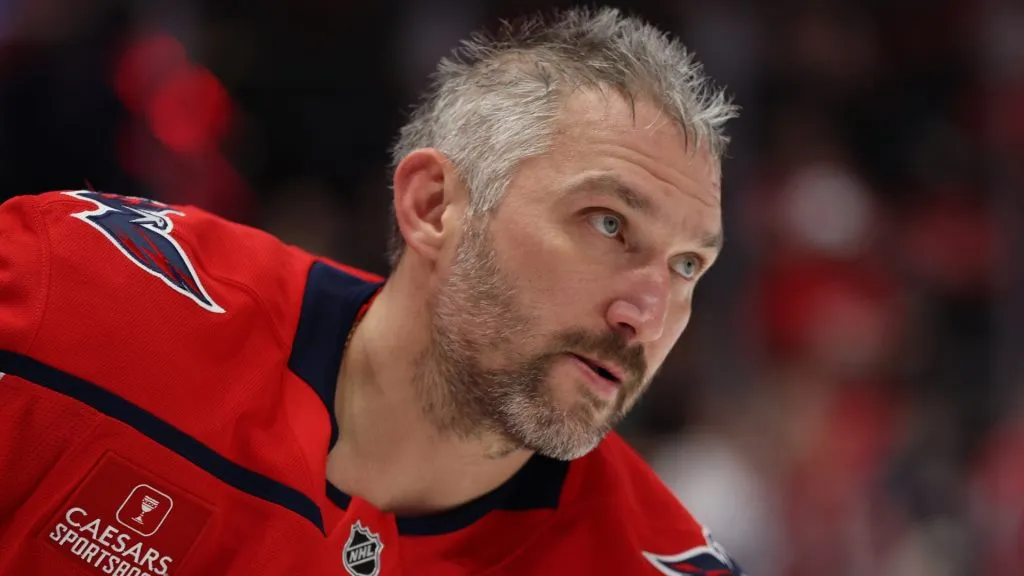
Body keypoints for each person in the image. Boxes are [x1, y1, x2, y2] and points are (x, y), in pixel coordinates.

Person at [0, 7, 743, 575]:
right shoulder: (74, 296)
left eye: (686, 267)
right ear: (433, 206)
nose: (644, 313)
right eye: (608, 224)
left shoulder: (653, 559)